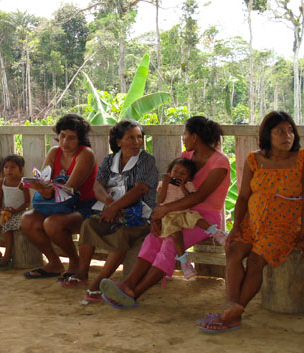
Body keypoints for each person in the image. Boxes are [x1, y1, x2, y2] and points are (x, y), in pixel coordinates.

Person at [198, 111, 304, 333]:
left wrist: (302, 237)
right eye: (280, 131)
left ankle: (234, 314)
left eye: (290, 130)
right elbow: (243, 197)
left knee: (255, 261)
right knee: (233, 250)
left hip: (282, 228)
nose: (287, 136)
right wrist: (235, 228)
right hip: (253, 223)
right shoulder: (255, 159)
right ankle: (231, 306)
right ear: (267, 134)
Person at [98, 116, 230, 308]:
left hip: (203, 218)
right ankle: (128, 284)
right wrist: (158, 216)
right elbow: (168, 190)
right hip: (174, 212)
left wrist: (164, 211)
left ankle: (135, 293)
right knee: (154, 237)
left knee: (169, 242)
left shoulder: (220, 162)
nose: (183, 138)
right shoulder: (186, 157)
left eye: (185, 134)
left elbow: (199, 197)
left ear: (194, 137)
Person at [64, 119, 158, 303]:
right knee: (89, 224)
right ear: (118, 141)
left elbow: (140, 189)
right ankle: (83, 273)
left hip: (139, 215)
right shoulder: (109, 160)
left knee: (122, 235)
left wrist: (114, 207)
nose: (136, 142)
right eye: (130, 138)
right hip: (110, 211)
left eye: (139, 137)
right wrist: (108, 203)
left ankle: (99, 282)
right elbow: (98, 185)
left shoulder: (146, 161)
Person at [22, 114, 98, 279]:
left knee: (52, 224)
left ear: (80, 140)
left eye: (71, 138)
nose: (65, 142)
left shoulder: (86, 154)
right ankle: (54, 263)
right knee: (27, 220)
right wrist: (40, 187)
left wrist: (45, 190)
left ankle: (74, 261)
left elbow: (69, 190)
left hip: (85, 206)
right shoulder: (54, 152)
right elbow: (44, 180)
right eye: (62, 136)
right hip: (58, 204)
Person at [156, 157, 223, 279]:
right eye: (175, 171)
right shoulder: (163, 184)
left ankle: (217, 233)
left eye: (183, 173)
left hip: (184, 212)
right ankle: (184, 262)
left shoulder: (188, 185)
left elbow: (190, 199)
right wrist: (165, 184)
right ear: (170, 172)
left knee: (197, 218)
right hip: (169, 216)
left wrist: (183, 187)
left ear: (189, 177)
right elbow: (160, 200)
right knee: (176, 235)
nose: (178, 175)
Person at [0, 155, 31, 271]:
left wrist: (16, 210)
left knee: (7, 227)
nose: (9, 170)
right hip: (5, 211)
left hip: (20, 213)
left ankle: (7, 256)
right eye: (6, 167)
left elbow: (27, 202)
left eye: (13, 167)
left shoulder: (23, 183)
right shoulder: (2, 182)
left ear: (20, 169)